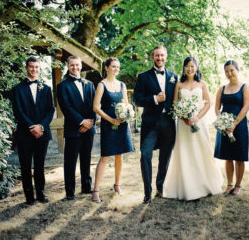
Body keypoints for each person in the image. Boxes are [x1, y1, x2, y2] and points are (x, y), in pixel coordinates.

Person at [163, 57, 223, 200]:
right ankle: (186, 186)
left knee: (201, 151)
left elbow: (208, 104)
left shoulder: (202, 84)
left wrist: (196, 118)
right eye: (187, 66)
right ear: (183, 68)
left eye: (192, 66)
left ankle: (204, 184)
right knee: (185, 152)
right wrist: (184, 118)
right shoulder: (178, 84)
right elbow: (175, 105)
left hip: (199, 123)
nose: (189, 69)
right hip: (183, 125)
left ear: (196, 67)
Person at [134, 46, 178, 204]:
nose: (160, 58)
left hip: (168, 123)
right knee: (145, 154)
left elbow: (177, 98)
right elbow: (137, 99)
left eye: (162, 55)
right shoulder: (143, 77)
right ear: (153, 57)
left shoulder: (174, 76)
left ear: (166, 57)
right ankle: (147, 192)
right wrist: (154, 99)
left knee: (165, 157)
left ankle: (160, 187)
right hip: (150, 124)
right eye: (157, 55)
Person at [12, 56, 55, 204]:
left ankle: (41, 194)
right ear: (26, 68)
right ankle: (29, 197)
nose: (34, 70)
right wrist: (32, 127)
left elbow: (50, 110)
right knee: (25, 167)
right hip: (25, 134)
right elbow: (18, 111)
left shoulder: (46, 88)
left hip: (42, 133)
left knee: (40, 166)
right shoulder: (17, 89)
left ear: (39, 69)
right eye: (31, 67)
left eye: (36, 67)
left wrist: (40, 126)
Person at [91, 58, 133, 203]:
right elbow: (96, 107)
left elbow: (126, 105)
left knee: (119, 155)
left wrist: (126, 115)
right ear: (107, 68)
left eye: (118, 67)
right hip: (108, 124)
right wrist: (111, 120)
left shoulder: (122, 85)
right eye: (113, 66)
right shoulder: (101, 85)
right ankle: (95, 190)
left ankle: (117, 184)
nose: (116, 69)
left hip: (121, 124)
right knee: (105, 156)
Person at [57, 56, 96, 200]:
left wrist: (89, 123)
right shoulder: (62, 85)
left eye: (77, 65)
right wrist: (81, 122)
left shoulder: (89, 84)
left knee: (86, 159)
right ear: (68, 67)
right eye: (72, 65)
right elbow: (66, 108)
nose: (75, 67)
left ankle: (87, 187)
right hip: (73, 129)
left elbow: (94, 105)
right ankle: (70, 192)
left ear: (81, 66)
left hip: (89, 129)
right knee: (70, 161)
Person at [214, 60, 249, 196]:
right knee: (228, 157)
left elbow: (246, 107)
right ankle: (229, 184)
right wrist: (223, 122)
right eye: (226, 71)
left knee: (239, 157)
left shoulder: (245, 87)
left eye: (232, 70)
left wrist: (234, 123)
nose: (229, 73)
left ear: (238, 70)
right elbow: (217, 108)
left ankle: (238, 185)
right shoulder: (222, 89)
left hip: (239, 125)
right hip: (224, 127)